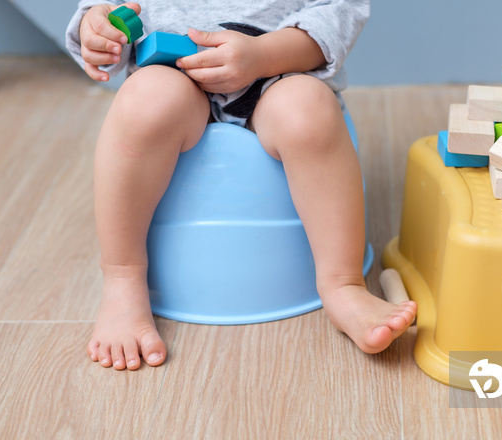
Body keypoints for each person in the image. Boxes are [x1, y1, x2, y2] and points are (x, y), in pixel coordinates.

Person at [65, 0, 417, 371]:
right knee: (143, 104)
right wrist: (97, 29)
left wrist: (265, 54)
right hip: (169, 78)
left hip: (280, 74)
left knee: (308, 111)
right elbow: (103, 13)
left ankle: (343, 284)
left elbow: (336, 12)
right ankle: (122, 277)